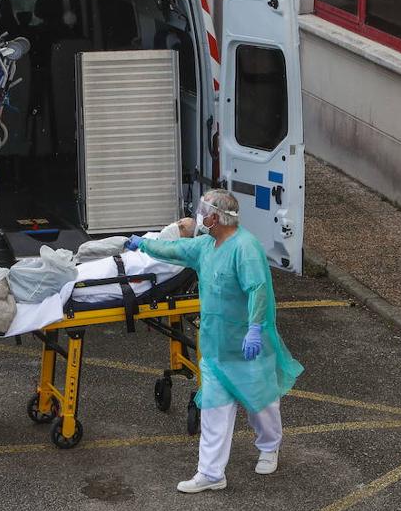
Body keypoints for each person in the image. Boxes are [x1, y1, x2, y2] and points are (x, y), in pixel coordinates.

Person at [127, 189, 303, 493]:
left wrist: (255, 328)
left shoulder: (245, 248)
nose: (199, 214)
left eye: (203, 209)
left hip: (247, 345)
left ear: (217, 217)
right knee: (214, 408)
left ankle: (270, 445)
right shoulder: (206, 246)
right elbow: (174, 250)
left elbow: (258, 290)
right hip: (215, 344)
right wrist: (145, 245)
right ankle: (210, 474)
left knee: (260, 403)